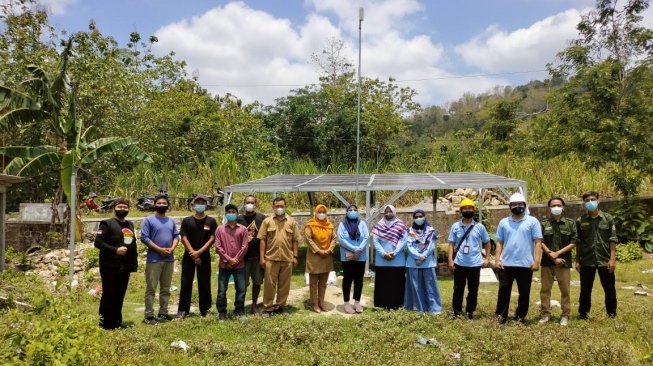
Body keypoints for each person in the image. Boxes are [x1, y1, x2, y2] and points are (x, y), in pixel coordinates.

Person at [494, 192, 543, 324]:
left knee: (524, 292)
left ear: (524, 205)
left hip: (525, 264)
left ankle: (520, 316)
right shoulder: (504, 222)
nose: (517, 206)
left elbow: (538, 242)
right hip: (506, 264)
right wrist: (497, 259)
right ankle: (501, 316)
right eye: (514, 204)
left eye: (519, 204)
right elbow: (499, 242)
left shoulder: (532, 221)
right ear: (510, 206)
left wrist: (536, 261)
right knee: (503, 291)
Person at [94, 198, 137, 329]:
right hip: (109, 266)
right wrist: (115, 250)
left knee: (120, 295)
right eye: (120, 207)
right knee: (108, 295)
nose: (122, 209)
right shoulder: (107, 224)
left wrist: (133, 264)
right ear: (114, 209)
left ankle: (117, 322)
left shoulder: (130, 225)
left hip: (125, 266)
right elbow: (98, 242)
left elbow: (133, 245)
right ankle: (105, 324)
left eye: (125, 207)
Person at [575, 191, 618, 319]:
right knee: (585, 290)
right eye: (587, 200)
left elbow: (612, 239)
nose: (590, 202)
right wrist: (577, 260)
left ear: (598, 201)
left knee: (609, 289)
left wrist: (612, 259)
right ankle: (583, 314)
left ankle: (611, 314)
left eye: (592, 199)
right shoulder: (580, 221)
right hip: (587, 260)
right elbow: (578, 242)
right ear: (584, 203)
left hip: (605, 260)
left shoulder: (607, 218)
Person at [447, 198, 491, 319]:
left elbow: (487, 243)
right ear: (461, 211)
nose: (467, 210)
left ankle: (470, 311)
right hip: (459, 263)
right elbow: (451, 244)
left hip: (475, 264)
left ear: (473, 210)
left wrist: (487, 258)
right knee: (458, 289)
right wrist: (450, 260)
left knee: (473, 290)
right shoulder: (455, 226)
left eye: (470, 208)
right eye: (465, 208)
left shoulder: (480, 227)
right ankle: (456, 312)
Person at [258, 197, 301, 318]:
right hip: (271, 258)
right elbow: (262, 240)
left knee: (284, 284)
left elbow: (295, 241)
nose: (279, 208)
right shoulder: (267, 221)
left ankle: (280, 306)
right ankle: (268, 307)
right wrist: (262, 258)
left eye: (281, 206)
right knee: (269, 284)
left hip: (287, 259)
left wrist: (295, 256)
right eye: (277, 206)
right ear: (273, 207)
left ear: (285, 206)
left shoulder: (291, 222)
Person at [140, 194, 179, 325]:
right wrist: (159, 249)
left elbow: (176, 236)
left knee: (166, 288)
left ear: (168, 205)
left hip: (169, 259)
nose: (162, 205)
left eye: (164, 203)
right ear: (155, 205)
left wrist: (172, 248)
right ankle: (149, 315)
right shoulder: (148, 220)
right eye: (159, 203)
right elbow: (144, 238)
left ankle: (163, 312)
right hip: (154, 259)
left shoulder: (171, 221)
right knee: (151, 288)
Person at [177, 195, 218, 318]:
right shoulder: (187, 221)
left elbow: (212, 238)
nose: (200, 205)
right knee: (186, 283)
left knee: (204, 283)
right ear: (193, 205)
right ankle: (183, 310)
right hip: (188, 256)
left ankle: (205, 309)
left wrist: (199, 253)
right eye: (198, 203)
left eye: (203, 203)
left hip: (204, 256)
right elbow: (183, 238)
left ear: (206, 205)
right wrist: (193, 254)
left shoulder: (211, 221)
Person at [539, 197, 577, 326]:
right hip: (547, 262)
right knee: (545, 290)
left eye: (558, 205)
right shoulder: (544, 223)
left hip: (563, 263)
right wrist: (551, 255)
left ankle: (565, 315)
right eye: (553, 205)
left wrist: (558, 254)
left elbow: (574, 241)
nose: (556, 207)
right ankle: (545, 314)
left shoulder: (570, 223)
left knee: (565, 290)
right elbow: (540, 241)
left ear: (563, 207)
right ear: (549, 208)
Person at [215, 203, 249, 320]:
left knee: (241, 289)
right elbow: (218, 247)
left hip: (240, 265)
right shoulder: (220, 229)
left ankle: (239, 310)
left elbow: (244, 246)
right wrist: (229, 260)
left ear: (237, 214)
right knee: (221, 290)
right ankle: (222, 312)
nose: (231, 214)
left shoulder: (243, 229)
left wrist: (236, 260)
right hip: (224, 265)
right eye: (228, 212)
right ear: (225, 214)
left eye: (233, 212)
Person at [404, 209, 442, 314]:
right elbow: (409, 246)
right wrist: (418, 257)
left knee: (430, 286)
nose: (418, 218)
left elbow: (431, 246)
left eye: (420, 216)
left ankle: (434, 309)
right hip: (413, 263)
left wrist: (423, 256)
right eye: (416, 217)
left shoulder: (430, 230)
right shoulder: (409, 231)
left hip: (427, 262)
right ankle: (417, 308)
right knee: (415, 286)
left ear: (424, 217)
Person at [372, 205, 408, 310]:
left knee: (397, 284)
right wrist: (384, 253)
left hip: (397, 260)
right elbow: (375, 241)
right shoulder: (378, 225)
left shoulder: (401, 225)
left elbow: (404, 241)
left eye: (390, 211)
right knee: (383, 284)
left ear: (394, 212)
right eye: (386, 212)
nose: (388, 214)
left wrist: (394, 253)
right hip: (382, 261)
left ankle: (396, 305)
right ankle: (384, 305)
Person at [236, 195, 267, 314]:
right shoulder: (239, 219)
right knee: (242, 284)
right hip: (243, 258)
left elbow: (266, 238)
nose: (250, 204)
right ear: (244, 204)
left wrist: (264, 256)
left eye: (252, 202)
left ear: (255, 204)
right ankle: (240, 306)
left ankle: (254, 305)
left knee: (257, 282)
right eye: (247, 202)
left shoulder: (262, 218)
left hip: (258, 257)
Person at [303, 204, 337, 313]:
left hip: (326, 257)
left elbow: (334, 238)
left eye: (324, 212)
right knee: (313, 283)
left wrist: (329, 249)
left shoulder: (329, 225)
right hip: (314, 257)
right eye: (320, 212)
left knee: (323, 282)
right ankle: (314, 303)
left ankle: (321, 302)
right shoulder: (310, 225)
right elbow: (308, 239)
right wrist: (319, 250)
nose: (322, 214)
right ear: (316, 213)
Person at [337, 204, 369, 314]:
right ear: (346, 212)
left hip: (361, 256)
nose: (353, 211)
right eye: (350, 210)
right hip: (347, 257)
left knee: (359, 280)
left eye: (355, 210)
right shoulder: (342, 224)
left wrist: (360, 248)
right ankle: (346, 303)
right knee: (348, 279)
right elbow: (341, 239)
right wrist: (355, 248)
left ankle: (357, 302)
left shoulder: (362, 223)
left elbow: (366, 237)